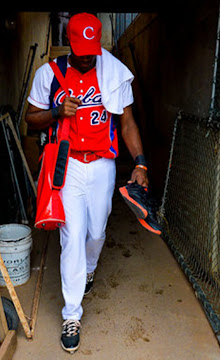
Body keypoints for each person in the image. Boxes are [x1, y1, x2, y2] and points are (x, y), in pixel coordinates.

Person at [25, 13, 149, 353]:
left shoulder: (111, 73)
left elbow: (127, 123)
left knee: (96, 232)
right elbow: (29, 120)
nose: (85, 56)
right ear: (70, 42)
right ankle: (72, 313)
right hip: (68, 166)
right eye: (79, 49)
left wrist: (140, 164)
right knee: (73, 236)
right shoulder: (49, 74)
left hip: (103, 166)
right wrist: (54, 112)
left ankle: (90, 269)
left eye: (90, 50)